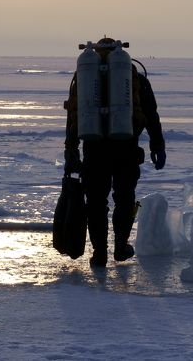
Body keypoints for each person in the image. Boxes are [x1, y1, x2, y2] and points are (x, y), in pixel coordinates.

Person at [63, 37, 166, 268]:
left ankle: (100, 253)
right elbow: (151, 115)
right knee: (125, 199)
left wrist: (71, 151)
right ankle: (121, 246)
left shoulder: (84, 80)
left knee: (96, 203)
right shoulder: (135, 80)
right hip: (126, 148)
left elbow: (73, 116)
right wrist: (158, 146)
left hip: (94, 150)